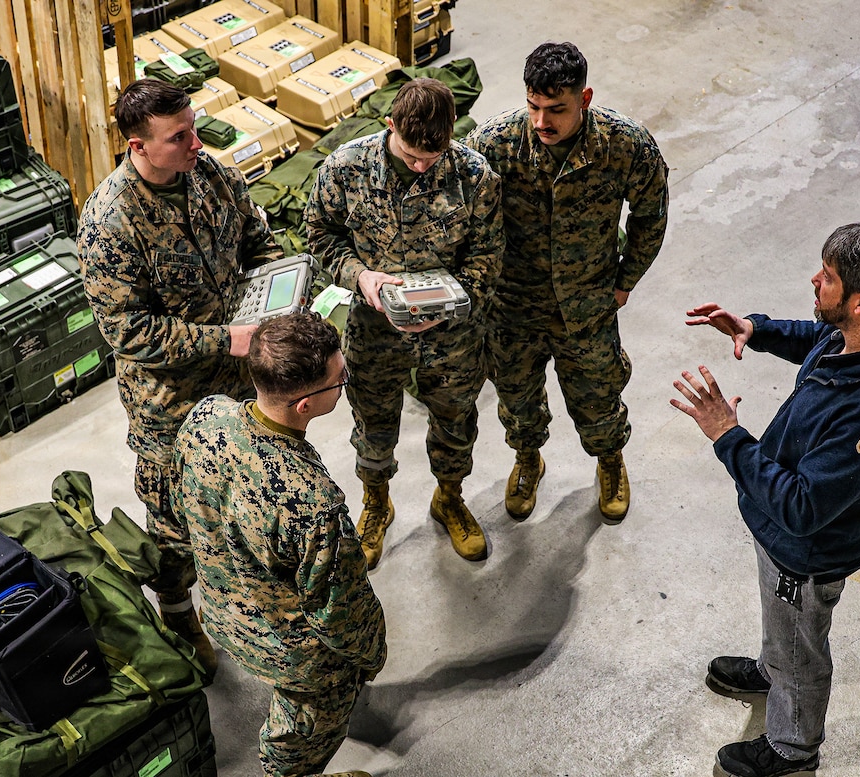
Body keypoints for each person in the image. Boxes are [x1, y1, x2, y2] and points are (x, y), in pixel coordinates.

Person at [670, 223, 860, 777]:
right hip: (790, 539)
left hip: (807, 552)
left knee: (802, 649)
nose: (815, 280)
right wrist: (754, 329)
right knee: (785, 632)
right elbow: (816, 338)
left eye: (827, 277)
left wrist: (726, 434)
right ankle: (771, 665)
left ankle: (792, 749)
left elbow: (802, 509)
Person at [77, 78, 282, 674]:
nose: (197, 142)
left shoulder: (212, 176)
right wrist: (226, 338)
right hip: (170, 400)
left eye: (194, 127)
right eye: (180, 136)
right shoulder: (110, 221)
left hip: (242, 378)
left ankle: (250, 589)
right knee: (174, 517)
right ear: (138, 147)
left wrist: (278, 288)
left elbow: (257, 242)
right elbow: (127, 332)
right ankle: (177, 609)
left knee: (251, 486)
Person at [172, 312, 386, 777]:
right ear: (305, 405)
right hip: (293, 654)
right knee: (304, 733)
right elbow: (341, 612)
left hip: (221, 614)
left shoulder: (205, 418)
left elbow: (180, 506)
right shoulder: (311, 502)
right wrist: (371, 656)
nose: (343, 382)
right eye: (339, 380)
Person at [465, 41, 669, 525]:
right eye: (534, 106)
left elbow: (651, 217)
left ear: (585, 98)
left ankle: (610, 461)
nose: (541, 122)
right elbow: (466, 221)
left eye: (556, 109)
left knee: (598, 394)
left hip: (588, 303)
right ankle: (527, 459)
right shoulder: (494, 144)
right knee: (516, 397)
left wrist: (626, 281)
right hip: (513, 306)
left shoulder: (625, 146)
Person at [304, 77, 503, 568]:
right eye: (411, 155)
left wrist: (448, 303)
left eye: (431, 159)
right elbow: (319, 235)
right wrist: (359, 276)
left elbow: (488, 255)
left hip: (452, 335)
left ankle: (450, 498)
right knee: (373, 426)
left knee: (457, 422)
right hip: (376, 332)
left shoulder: (475, 176)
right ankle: (376, 504)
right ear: (389, 124)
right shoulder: (345, 168)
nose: (420, 166)